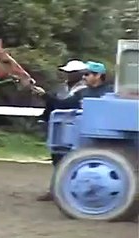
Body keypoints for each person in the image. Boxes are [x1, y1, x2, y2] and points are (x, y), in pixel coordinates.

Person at [32, 60, 114, 201]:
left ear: (98, 75)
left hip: (101, 135)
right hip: (81, 134)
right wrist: (44, 96)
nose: (84, 77)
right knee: (59, 157)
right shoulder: (82, 93)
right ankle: (57, 189)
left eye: (87, 74)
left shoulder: (110, 92)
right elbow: (62, 105)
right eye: (84, 74)